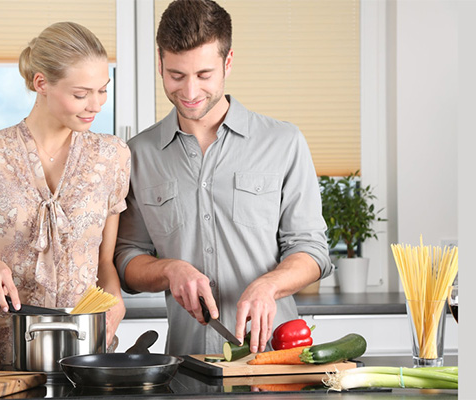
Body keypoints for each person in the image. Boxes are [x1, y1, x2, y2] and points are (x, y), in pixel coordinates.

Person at [114, 0, 331, 357]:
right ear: (160, 63)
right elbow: (127, 257)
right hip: (186, 366)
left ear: (228, 63)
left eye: (204, 75)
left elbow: (311, 249)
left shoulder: (283, 142)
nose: (190, 92)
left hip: (277, 361)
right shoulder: (138, 154)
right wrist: (170, 270)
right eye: (176, 75)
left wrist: (269, 285)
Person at [0, 21, 130, 366]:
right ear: (41, 83)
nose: (96, 105)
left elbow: (104, 263)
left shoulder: (113, 156)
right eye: (80, 94)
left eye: (103, 90)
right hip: (4, 359)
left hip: (88, 356)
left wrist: (115, 298)